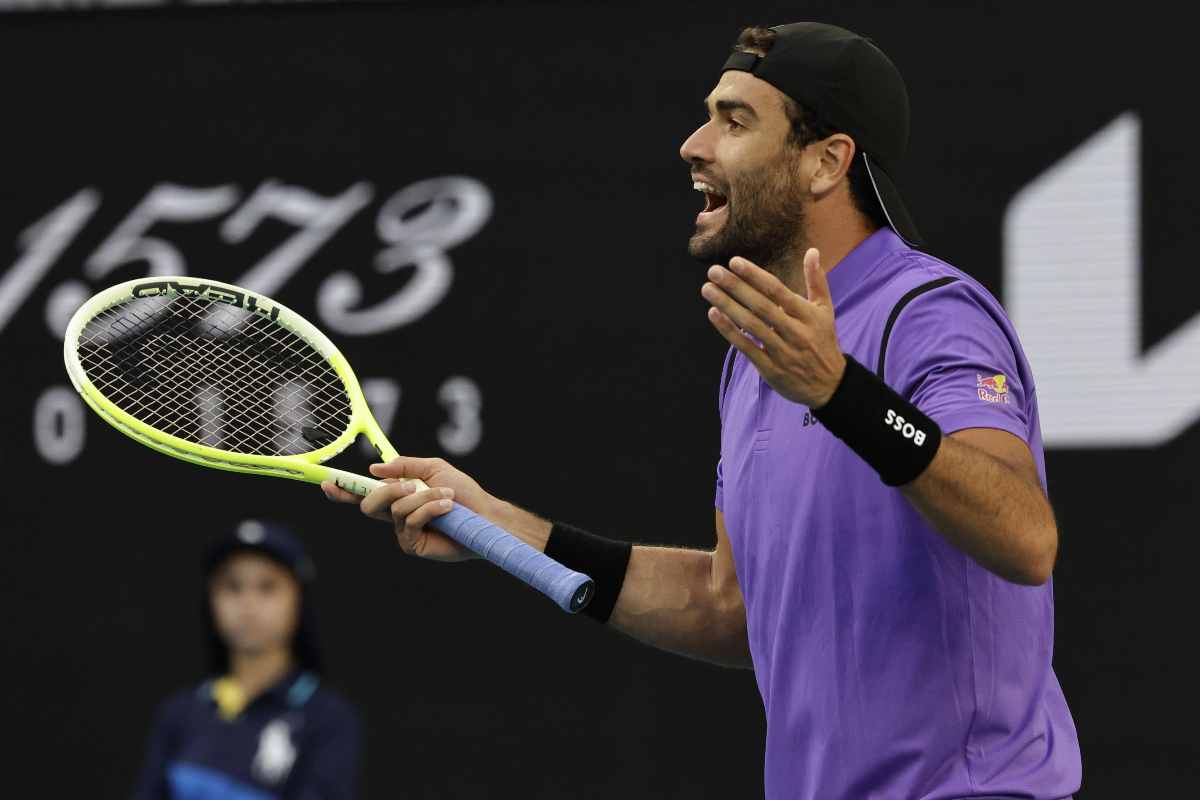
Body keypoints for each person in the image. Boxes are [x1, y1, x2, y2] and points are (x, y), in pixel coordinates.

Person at [322, 21, 1082, 799]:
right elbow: (728, 607)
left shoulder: (929, 313)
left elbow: (1025, 537)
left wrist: (841, 393)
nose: (693, 143)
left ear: (826, 163)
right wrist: (497, 529)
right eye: (708, 114)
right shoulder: (757, 354)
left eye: (735, 120)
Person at [133, 520, 362, 800]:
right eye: (232, 586)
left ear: (298, 599)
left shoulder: (328, 718)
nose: (248, 604)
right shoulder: (179, 713)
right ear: (211, 599)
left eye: (267, 587)